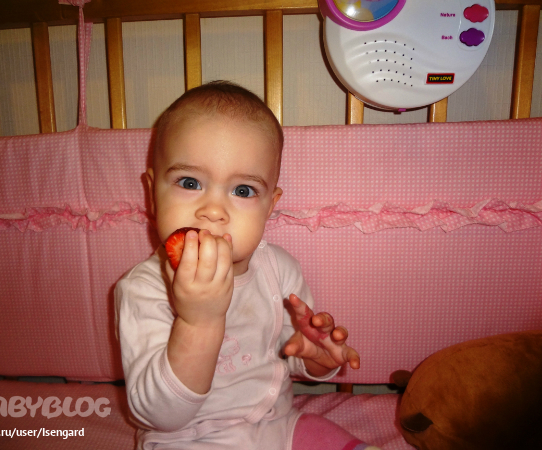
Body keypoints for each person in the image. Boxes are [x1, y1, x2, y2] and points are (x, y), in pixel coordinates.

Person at [115, 81, 379, 450]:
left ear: (270, 205)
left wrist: (316, 359)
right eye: (189, 182)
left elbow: (288, 354)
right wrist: (199, 322)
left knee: (323, 434)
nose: (213, 210)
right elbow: (158, 414)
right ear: (152, 194)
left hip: (277, 422)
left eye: (242, 191)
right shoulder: (143, 289)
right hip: (191, 438)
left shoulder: (279, 269)